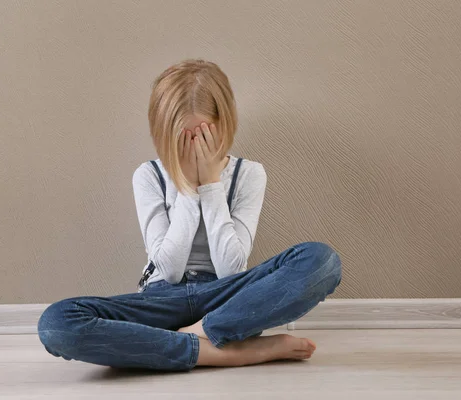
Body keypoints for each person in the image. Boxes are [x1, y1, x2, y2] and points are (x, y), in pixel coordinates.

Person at [38, 59, 342, 371]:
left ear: (223, 126)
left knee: (322, 260)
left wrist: (210, 184)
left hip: (226, 299)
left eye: (204, 136)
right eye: (184, 139)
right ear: (164, 133)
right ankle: (231, 352)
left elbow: (230, 269)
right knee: (57, 323)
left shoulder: (249, 174)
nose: (195, 148)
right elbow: (169, 270)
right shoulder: (149, 175)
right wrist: (187, 187)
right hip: (161, 300)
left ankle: (193, 336)